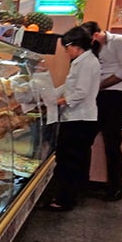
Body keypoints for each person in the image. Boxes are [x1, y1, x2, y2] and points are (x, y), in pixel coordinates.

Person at [48, 25, 101, 211]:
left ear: (76, 45)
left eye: (66, 46)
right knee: (68, 159)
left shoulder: (87, 63)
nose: (65, 50)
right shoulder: (82, 61)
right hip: (77, 119)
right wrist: (50, 95)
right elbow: (68, 86)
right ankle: (63, 197)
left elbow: (80, 93)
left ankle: (64, 200)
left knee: (70, 161)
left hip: (80, 120)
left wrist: (59, 102)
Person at [81, 20, 122, 201]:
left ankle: (115, 186)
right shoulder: (94, 49)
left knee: (112, 141)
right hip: (99, 95)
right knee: (86, 136)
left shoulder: (120, 41)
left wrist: (100, 86)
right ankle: (83, 183)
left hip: (117, 95)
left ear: (96, 35)